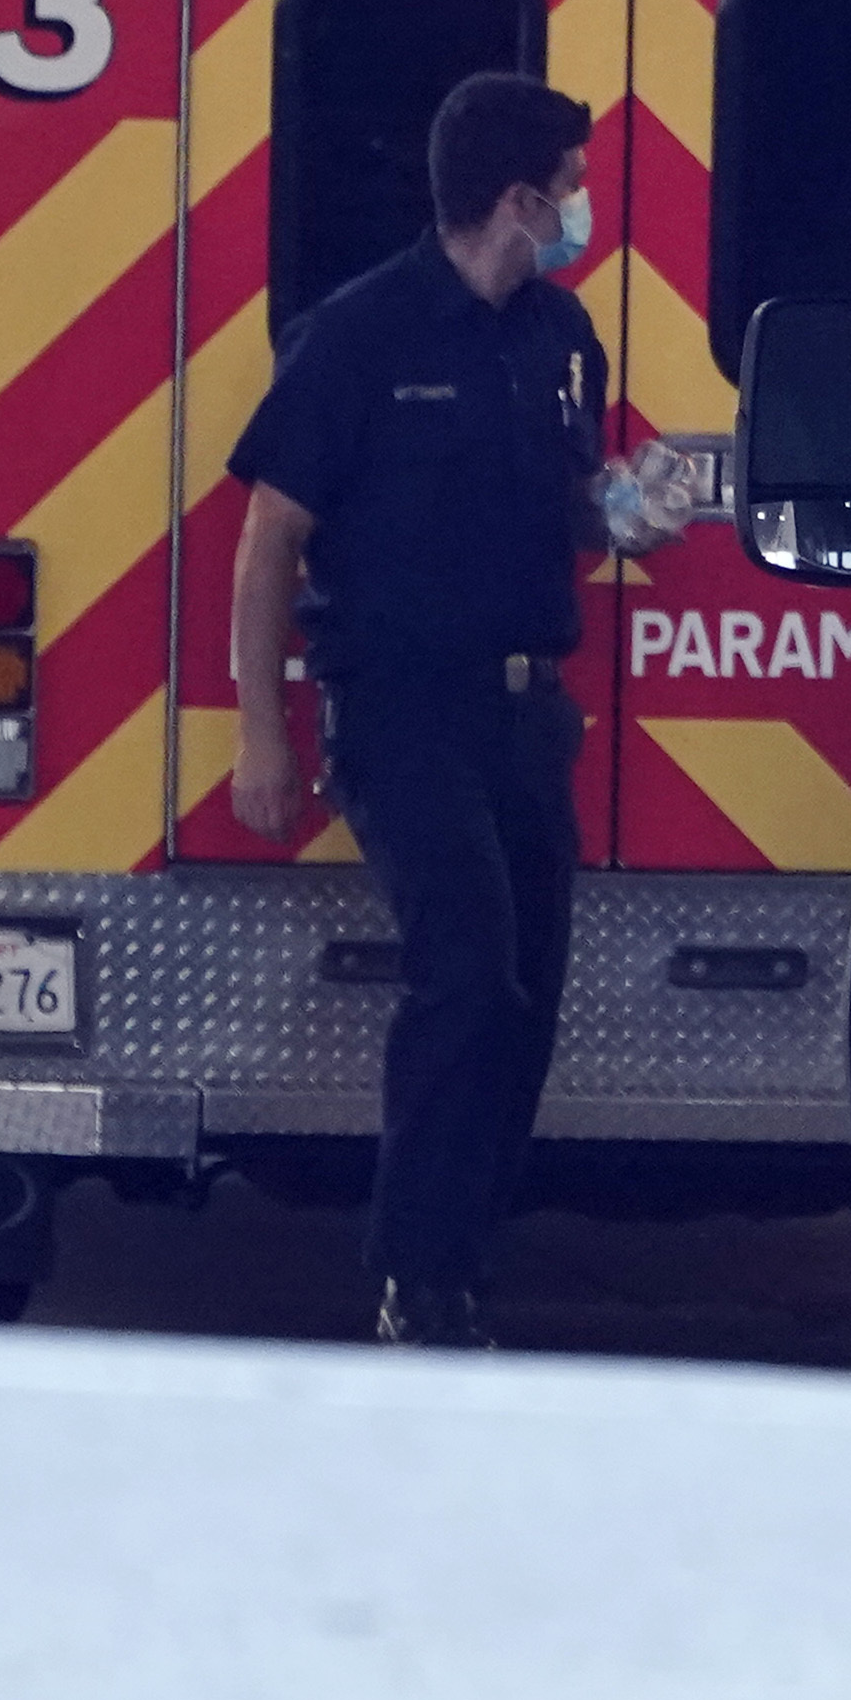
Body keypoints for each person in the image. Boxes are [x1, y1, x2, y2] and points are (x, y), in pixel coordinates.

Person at [224, 71, 657, 1347]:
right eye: (572, 183)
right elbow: (270, 541)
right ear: (519, 198)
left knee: (526, 1001)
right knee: (465, 971)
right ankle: (414, 1275)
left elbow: (577, 507)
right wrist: (264, 729)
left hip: (527, 717)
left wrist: (637, 515)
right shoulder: (358, 336)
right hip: (399, 713)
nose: (584, 206)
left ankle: (458, 1263)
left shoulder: (562, 339)